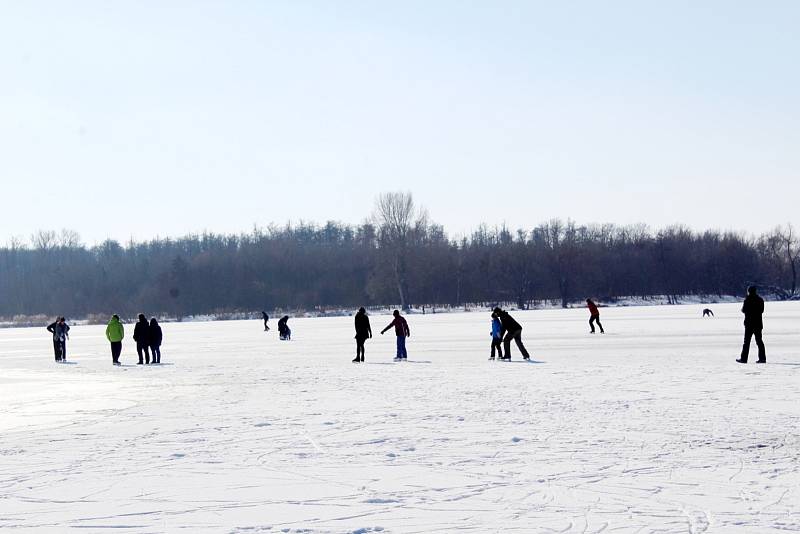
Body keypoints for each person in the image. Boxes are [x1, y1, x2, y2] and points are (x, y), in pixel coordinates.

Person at [737, 286, 766, 364]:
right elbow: (762, 310)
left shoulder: (747, 300)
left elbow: (744, 310)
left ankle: (744, 359)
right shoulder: (760, 300)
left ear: (749, 291)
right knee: (759, 341)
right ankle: (762, 358)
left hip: (749, 324)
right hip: (758, 323)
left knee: (746, 342)